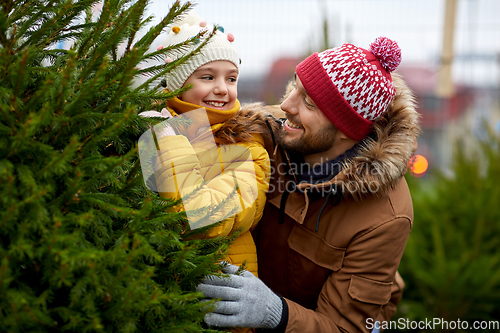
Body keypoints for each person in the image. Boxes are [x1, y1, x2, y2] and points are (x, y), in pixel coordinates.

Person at [197, 37, 421, 332]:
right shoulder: (274, 131)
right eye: (296, 88)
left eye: (309, 103)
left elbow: (345, 327)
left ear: (346, 130)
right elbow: (199, 128)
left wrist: (275, 313)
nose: (286, 105)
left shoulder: (385, 216)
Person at [140, 12, 273, 279]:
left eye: (231, 78)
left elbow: (203, 218)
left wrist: (171, 141)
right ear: (178, 82)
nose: (223, 88)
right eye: (208, 77)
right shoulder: (147, 131)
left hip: (218, 301)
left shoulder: (249, 148)